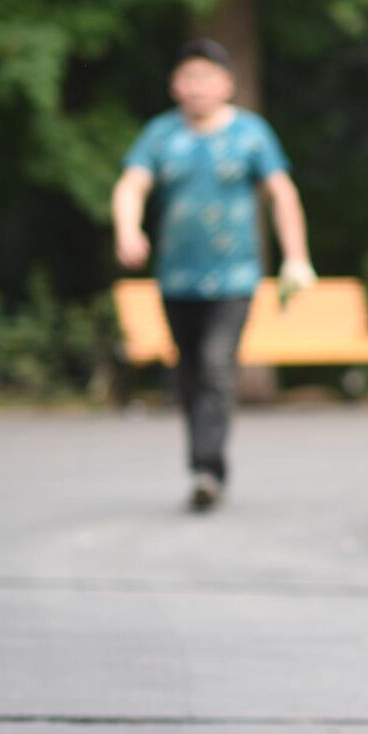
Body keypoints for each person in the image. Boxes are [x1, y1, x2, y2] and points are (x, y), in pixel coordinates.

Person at [110, 39, 315, 512]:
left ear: (227, 84)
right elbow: (131, 184)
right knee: (188, 375)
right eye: (189, 78)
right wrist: (127, 228)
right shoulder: (161, 135)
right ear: (175, 86)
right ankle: (204, 466)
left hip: (234, 279)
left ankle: (208, 469)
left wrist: (296, 257)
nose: (197, 87)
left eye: (207, 78)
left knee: (217, 367)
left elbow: (282, 194)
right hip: (176, 280)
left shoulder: (250, 134)